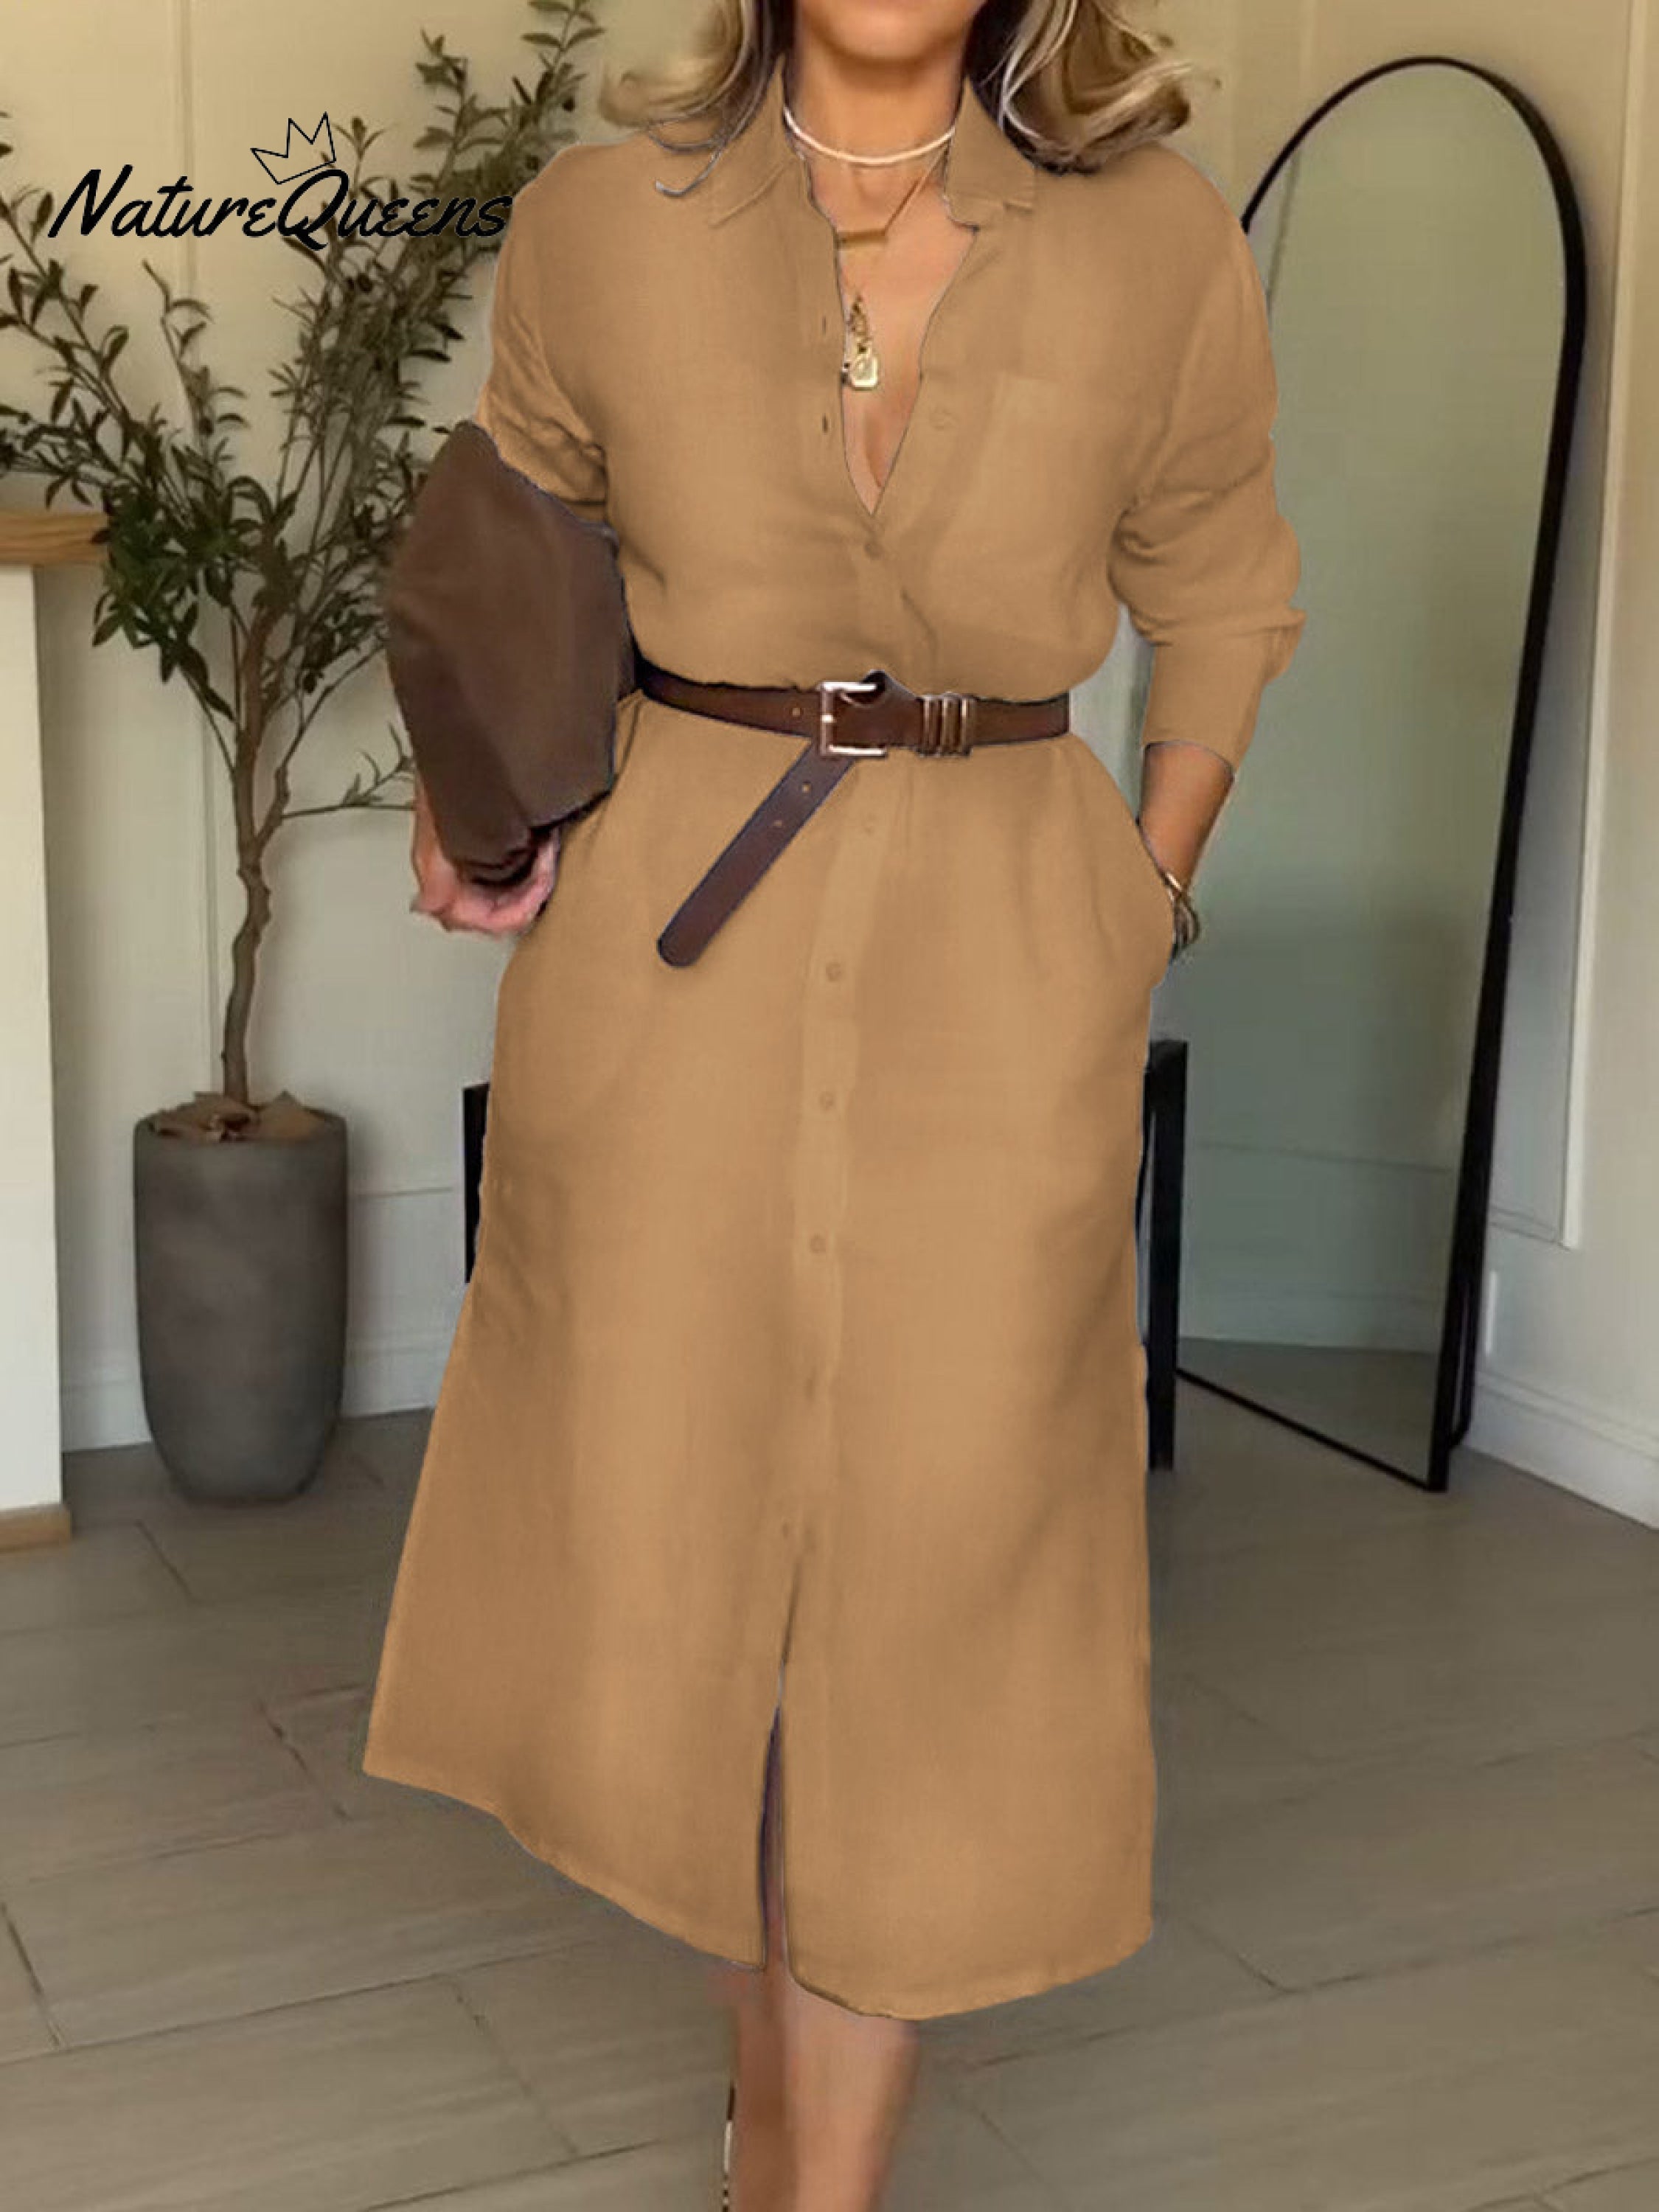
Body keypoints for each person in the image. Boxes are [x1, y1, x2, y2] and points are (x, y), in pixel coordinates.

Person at [360, 3, 1306, 2207]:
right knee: (692, 1561)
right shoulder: (605, 222)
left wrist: (1142, 896)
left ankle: (818, 2181)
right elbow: (509, 551)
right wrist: (465, 795)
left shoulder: (1158, 239)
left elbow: (1224, 585)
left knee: (934, 1577)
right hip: (666, 967)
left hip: (1007, 961)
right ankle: (772, 2114)